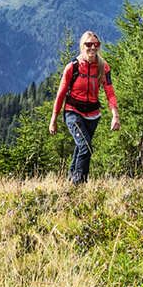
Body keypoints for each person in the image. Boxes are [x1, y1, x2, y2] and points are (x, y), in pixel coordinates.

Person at [49, 31, 120, 184]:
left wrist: (115, 115)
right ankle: (79, 184)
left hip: (93, 115)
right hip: (73, 111)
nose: (93, 48)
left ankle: (70, 180)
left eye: (96, 44)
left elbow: (110, 93)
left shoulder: (103, 67)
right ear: (82, 46)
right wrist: (53, 119)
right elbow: (60, 94)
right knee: (86, 147)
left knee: (80, 148)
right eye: (88, 44)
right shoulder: (72, 67)